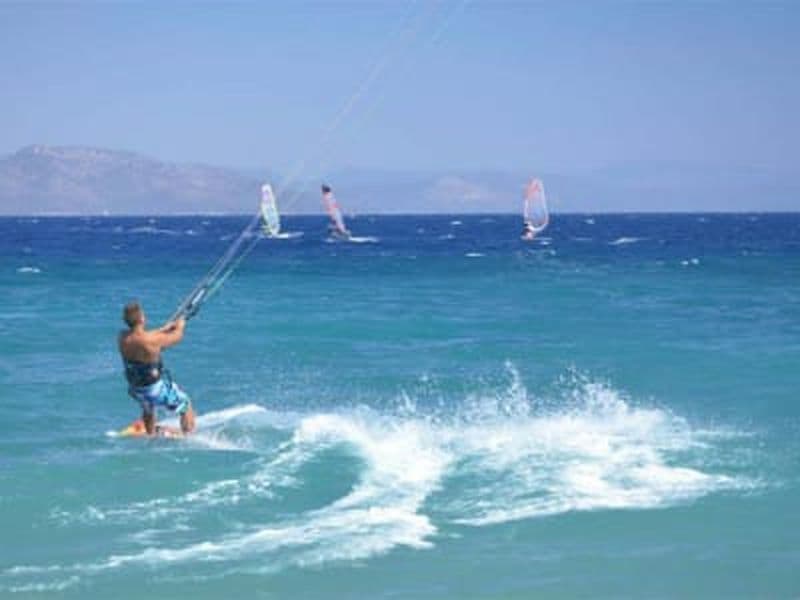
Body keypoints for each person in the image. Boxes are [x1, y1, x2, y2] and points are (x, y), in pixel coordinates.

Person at [118, 301, 196, 435]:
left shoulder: (122, 337)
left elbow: (144, 337)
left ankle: (151, 434)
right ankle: (188, 437)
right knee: (185, 404)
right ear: (142, 318)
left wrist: (164, 328)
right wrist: (180, 326)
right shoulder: (151, 341)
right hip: (154, 389)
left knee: (148, 408)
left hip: (136, 388)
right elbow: (177, 337)